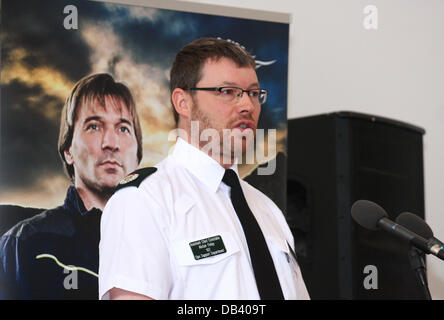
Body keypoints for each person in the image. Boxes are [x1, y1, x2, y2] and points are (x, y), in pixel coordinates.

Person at [99, 38, 310, 300]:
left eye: (254, 93)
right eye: (227, 91)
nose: (247, 105)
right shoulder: (145, 200)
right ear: (183, 102)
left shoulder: (267, 210)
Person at [0, 73, 142, 299]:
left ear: (137, 156)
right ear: (68, 151)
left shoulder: (166, 244)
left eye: (123, 128)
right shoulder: (24, 243)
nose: (111, 143)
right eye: (94, 126)